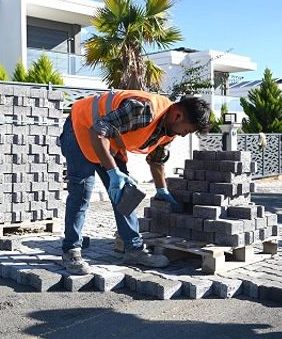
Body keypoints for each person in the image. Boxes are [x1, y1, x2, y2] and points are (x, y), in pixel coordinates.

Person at [59, 90, 211, 274]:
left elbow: (156, 159)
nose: (184, 135)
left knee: (125, 192)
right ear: (178, 115)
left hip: (108, 140)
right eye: (186, 130)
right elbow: (97, 131)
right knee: (81, 190)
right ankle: (71, 250)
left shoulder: (169, 129)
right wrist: (113, 172)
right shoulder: (143, 110)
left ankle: (134, 250)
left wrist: (161, 189)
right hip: (80, 126)